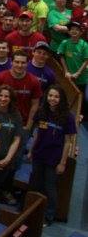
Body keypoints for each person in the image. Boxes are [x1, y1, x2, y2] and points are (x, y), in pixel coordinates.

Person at [28, 86, 76, 224]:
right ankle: (30, 211)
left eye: (56, 96)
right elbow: (37, 134)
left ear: (61, 99)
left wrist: (63, 163)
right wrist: (31, 150)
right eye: (50, 96)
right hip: (39, 154)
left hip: (54, 157)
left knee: (50, 186)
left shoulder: (68, 117)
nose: (52, 99)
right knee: (35, 183)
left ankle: (48, 216)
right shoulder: (42, 111)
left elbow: (68, 142)